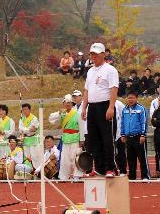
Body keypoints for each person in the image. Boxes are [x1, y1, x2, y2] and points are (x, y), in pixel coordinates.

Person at [81, 42, 120, 176]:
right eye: (92, 54)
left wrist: (111, 107)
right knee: (94, 139)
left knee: (107, 138)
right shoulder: (90, 71)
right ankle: (98, 167)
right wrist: (84, 107)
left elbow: (114, 88)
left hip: (105, 105)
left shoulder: (110, 70)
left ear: (103, 54)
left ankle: (110, 167)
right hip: (92, 107)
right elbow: (86, 90)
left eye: (96, 54)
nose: (94, 56)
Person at [51, 95, 84, 180]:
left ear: (72, 104)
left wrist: (82, 140)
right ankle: (64, 176)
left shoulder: (77, 113)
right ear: (63, 104)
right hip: (65, 139)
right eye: (66, 102)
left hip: (75, 138)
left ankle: (77, 175)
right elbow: (51, 120)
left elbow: (81, 127)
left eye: (69, 102)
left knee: (75, 157)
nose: (67, 104)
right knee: (64, 159)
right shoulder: (62, 114)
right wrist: (59, 113)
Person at [119, 91, 150, 180]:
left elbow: (144, 122)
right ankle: (132, 176)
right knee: (130, 158)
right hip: (129, 137)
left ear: (136, 98)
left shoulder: (141, 109)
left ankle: (145, 176)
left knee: (142, 158)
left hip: (138, 136)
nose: (130, 99)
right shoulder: (125, 109)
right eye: (129, 98)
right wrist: (123, 134)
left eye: (132, 98)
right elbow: (122, 123)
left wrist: (143, 135)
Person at [19, 103, 42, 171]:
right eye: (23, 110)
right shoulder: (21, 119)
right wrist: (27, 130)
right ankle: (30, 172)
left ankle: (39, 172)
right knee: (27, 157)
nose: (25, 111)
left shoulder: (34, 118)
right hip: (26, 141)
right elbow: (20, 129)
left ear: (30, 110)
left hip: (34, 140)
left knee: (35, 157)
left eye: (26, 109)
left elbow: (33, 129)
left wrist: (24, 130)